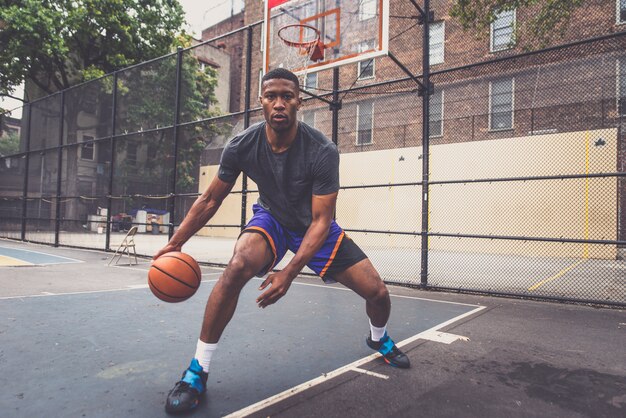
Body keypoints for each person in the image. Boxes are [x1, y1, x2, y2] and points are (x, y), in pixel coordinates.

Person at [153, 68, 410, 414]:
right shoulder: (243, 145)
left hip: (313, 227)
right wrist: (174, 244)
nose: (279, 103)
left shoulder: (322, 150)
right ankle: (197, 370)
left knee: (377, 292)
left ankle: (378, 339)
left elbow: (322, 221)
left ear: (298, 102)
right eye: (271, 96)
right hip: (272, 218)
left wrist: (288, 272)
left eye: (286, 96)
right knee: (237, 266)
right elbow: (210, 199)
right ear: (261, 101)